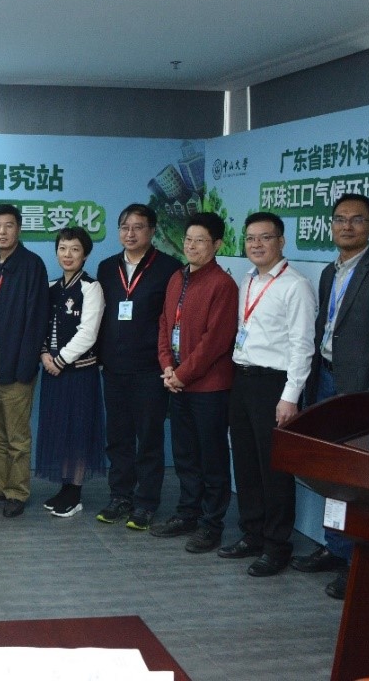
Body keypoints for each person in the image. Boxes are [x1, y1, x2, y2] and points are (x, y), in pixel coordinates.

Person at [291, 193, 369, 598]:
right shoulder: (330, 271)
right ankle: (335, 547)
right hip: (325, 380)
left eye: (357, 220)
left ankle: (355, 561)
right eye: (340, 219)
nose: (347, 226)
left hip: (359, 390)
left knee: (357, 479)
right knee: (332, 474)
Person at [220, 211, 316, 577]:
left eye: (265, 237)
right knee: (245, 462)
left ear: (281, 241)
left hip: (274, 386)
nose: (256, 244)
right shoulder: (247, 279)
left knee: (274, 469)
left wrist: (290, 396)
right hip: (243, 379)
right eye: (250, 238)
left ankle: (277, 546)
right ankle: (252, 534)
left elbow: (302, 346)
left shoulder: (295, 285)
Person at [152, 212, 238, 553]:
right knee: (185, 454)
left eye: (200, 241)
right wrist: (167, 367)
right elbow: (164, 324)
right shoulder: (177, 277)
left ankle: (211, 524)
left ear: (217, 245)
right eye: (188, 240)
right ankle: (187, 513)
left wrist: (181, 374)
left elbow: (215, 342)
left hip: (209, 388)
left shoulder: (223, 284)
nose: (191, 246)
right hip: (177, 382)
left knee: (211, 458)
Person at [95, 204, 181, 531]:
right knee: (118, 437)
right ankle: (120, 496)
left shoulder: (169, 268)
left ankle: (146, 503)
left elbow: (172, 320)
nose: (130, 233)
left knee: (148, 439)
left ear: (152, 231)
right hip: (114, 366)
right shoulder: (107, 267)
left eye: (138, 227)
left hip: (150, 368)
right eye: (124, 227)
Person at [0, 204, 48, 518]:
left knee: (16, 433)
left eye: (9, 225)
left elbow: (37, 318)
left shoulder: (31, 265)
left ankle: (16, 491)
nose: (2, 232)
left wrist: (27, 365)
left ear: (19, 228)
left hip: (14, 356)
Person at [36, 227, 106, 517]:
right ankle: (65, 488)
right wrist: (44, 354)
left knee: (78, 432)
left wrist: (60, 360)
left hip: (78, 373)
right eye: (63, 248)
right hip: (52, 371)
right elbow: (40, 325)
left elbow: (88, 333)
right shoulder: (51, 287)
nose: (68, 255)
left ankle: (75, 493)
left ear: (85, 255)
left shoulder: (91, 287)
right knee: (59, 431)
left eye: (75, 249)